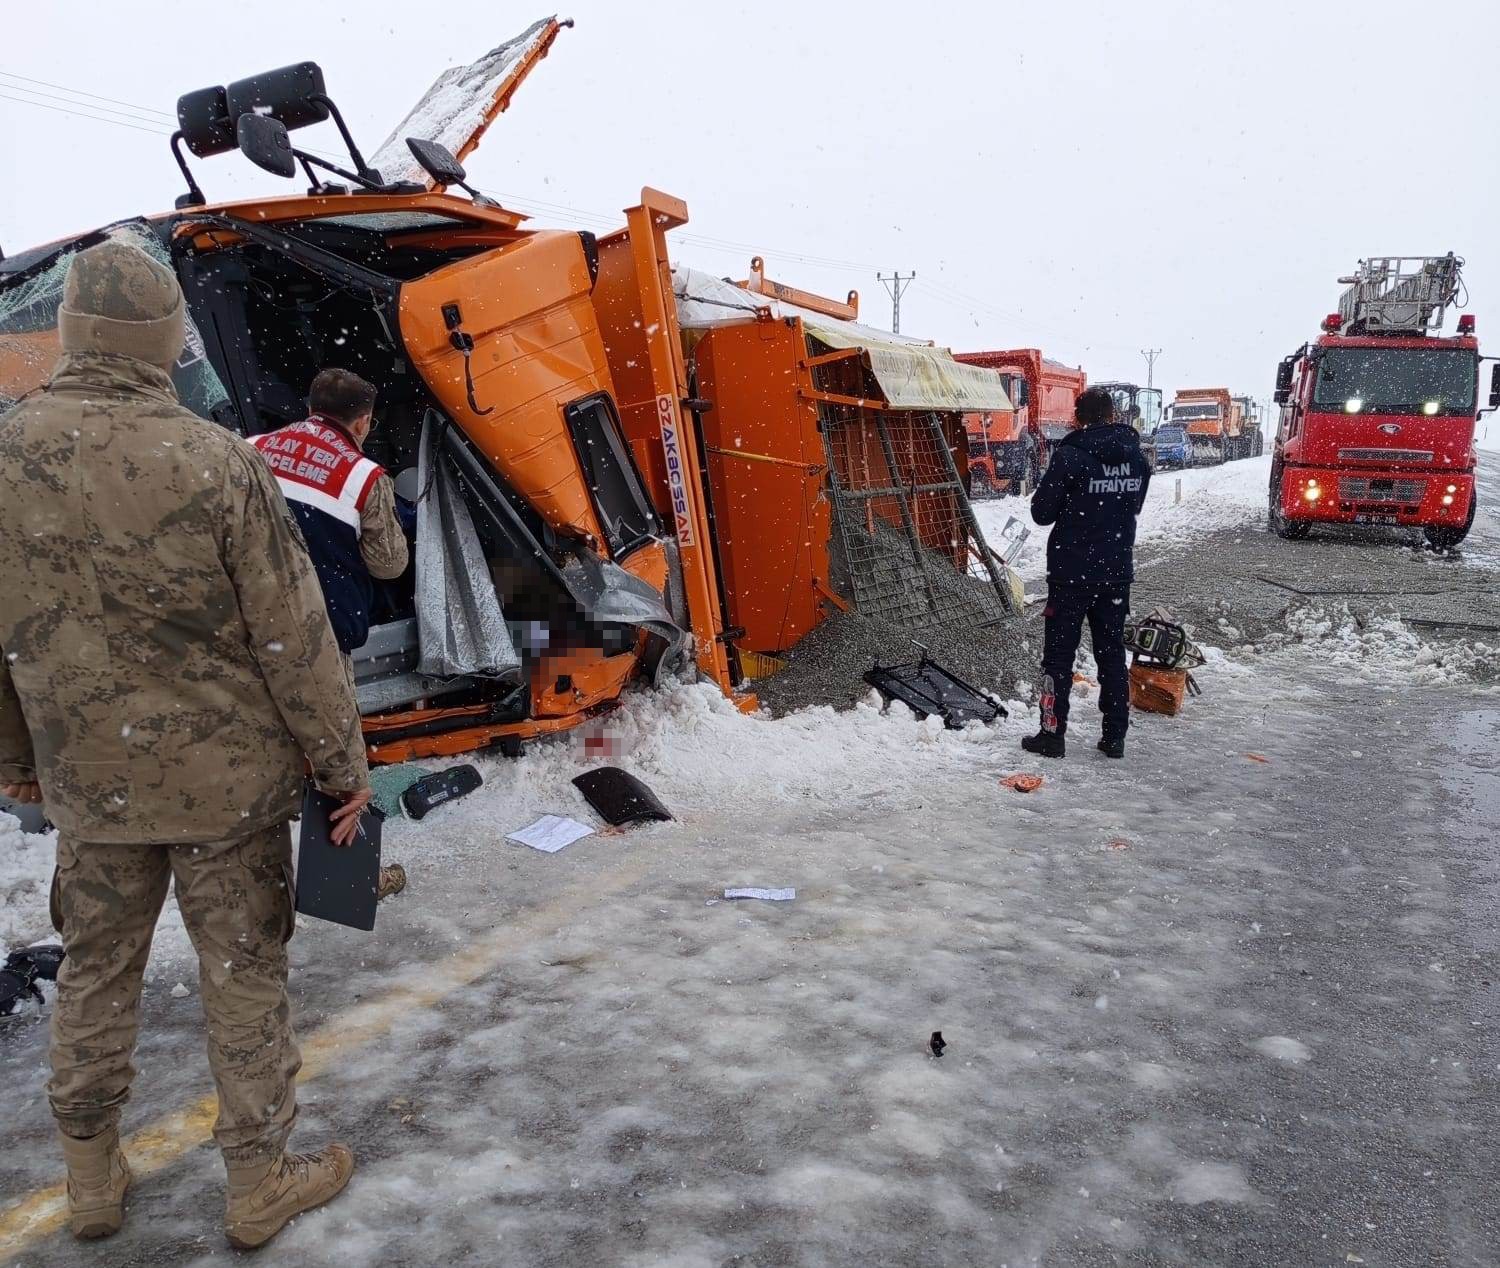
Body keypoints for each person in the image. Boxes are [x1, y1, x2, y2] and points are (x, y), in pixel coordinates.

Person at [0, 237, 372, 1248]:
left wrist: (19, 758)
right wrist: (342, 767)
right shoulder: (217, 460)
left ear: (71, 332)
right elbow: (293, 636)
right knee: (243, 972)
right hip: (226, 787)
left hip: (94, 785)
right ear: (168, 338)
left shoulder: (8, 455)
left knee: (95, 971)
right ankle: (258, 1177)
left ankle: (88, 1176)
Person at [1022, 385, 1151, 759]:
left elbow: (1041, 513)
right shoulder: (1136, 457)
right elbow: (1134, 505)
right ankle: (1114, 737)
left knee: (1058, 658)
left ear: (1079, 417)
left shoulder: (1071, 455)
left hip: (1071, 573)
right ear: (1112, 414)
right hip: (1115, 571)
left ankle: (1052, 734)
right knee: (1111, 654)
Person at [250, 369, 409, 656]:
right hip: (321, 633)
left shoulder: (252, 448)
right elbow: (389, 565)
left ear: (310, 409)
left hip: (251, 615)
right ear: (362, 424)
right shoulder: (366, 477)